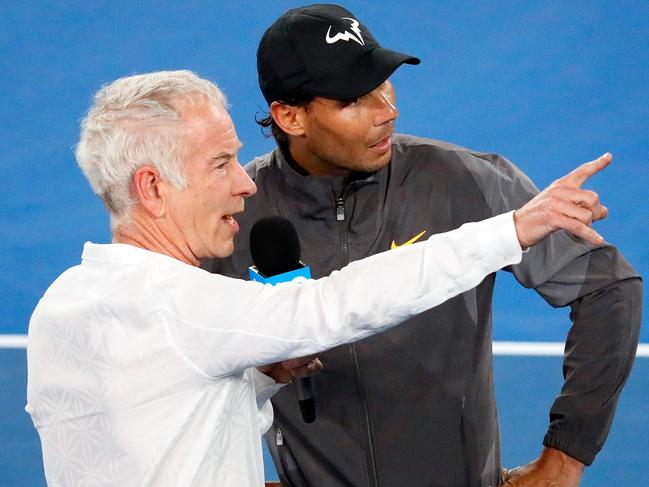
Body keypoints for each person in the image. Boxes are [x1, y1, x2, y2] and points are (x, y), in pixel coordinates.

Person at [25, 70, 608, 487]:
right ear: (152, 188)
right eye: (220, 163)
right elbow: (336, 305)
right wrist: (508, 229)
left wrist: (257, 381)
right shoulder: (183, 307)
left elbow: (159, 406)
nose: (246, 184)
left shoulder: (64, 304)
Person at [201, 4, 643, 487]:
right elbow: (173, 362)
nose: (386, 111)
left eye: (383, 85)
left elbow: (608, 289)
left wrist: (566, 455)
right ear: (290, 116)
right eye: (353, 100)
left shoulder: (465, 180)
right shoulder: (231, 214)